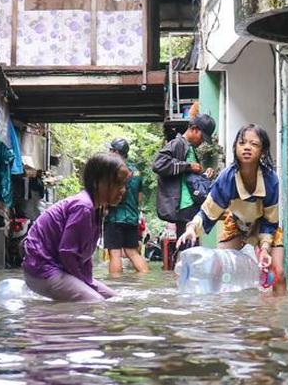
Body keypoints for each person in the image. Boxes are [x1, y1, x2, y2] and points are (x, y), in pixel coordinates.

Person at [177, 124, 286, 291]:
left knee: (278, 274)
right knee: (216, 269)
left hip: (265, 228)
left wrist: (264, 248)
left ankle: (274, 314)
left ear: (263, 151)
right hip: (236, 224)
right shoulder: (226, 178)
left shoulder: (271, 179)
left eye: (254, 144)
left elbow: (270, 221)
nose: (247, 148)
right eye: (242, 143)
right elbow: (208, 212)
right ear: (235, 147)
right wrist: (192, 228)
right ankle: (220, 314)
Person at [22, 152, 128, 302]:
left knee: (115, 299)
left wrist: (88, 281)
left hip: (58, 268)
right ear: (98, 182)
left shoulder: (96, 209)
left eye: (124, 184)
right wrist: (84, 284)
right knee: (94, 302)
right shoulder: (83, 207)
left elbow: (84, 258)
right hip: (42, 270)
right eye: (117, 183)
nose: (123, 190)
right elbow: (67, 253)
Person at [152, 114, 216, 227]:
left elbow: (189, 177)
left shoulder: (190, 148)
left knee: (190, 241)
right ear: (195, 129)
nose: (202, 141)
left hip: (190, 205)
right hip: (182, 206)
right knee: (187, 241)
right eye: (202, 137)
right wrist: (188, 166)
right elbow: (158, 164)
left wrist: (204, 176)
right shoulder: (177, 144)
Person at [105, 138, 149, 274]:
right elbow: (140, 197)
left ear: (116, 151)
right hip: (132, 218)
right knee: (132, 252)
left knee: (115, 254)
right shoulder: (136, 172)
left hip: (115, 218)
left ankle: (116, 288)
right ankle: (145, 278)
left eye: (111, 150)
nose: (109, 152)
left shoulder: (112, 170)